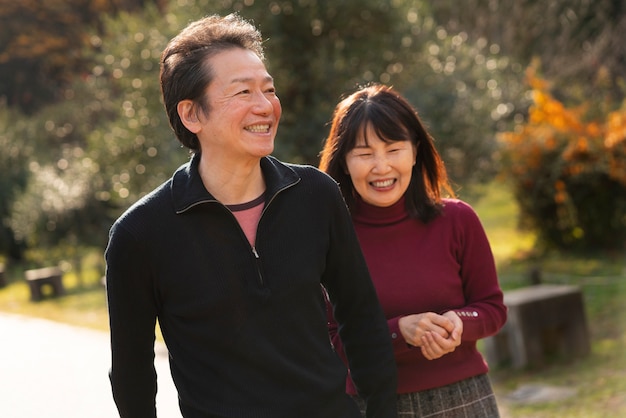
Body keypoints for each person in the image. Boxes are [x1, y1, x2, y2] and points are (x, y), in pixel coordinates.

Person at [104, 14, 398, 418]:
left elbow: (361, 319)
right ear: (192, 115)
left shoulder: (315, 194)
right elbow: (132, 375)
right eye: (242, 92)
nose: (265, 106)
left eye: (269, 89)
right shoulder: (140, 234)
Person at [319, 84, 507, 417]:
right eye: (364, 153)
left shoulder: (458, 220)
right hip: (373, 405)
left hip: (466, 399)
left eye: (393, 149)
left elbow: (492, 308)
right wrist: (398, 331)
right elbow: (328, 340)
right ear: (344, 162)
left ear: (415, 150)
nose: (381, 166)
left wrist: (457, 323)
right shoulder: (328, 239)